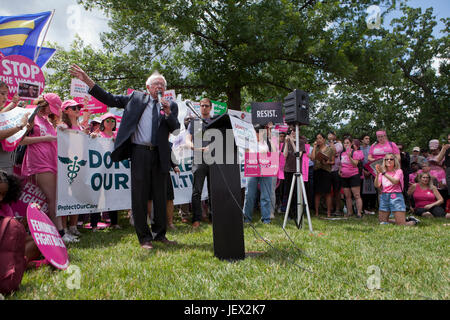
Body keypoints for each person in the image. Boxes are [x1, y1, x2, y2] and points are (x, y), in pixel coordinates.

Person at [69, 64, 180, 250]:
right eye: (155, 84)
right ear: (148, 88)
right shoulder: (135, 99)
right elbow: (109, 99)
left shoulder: (171, 106)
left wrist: (168, 113)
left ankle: (160, 234)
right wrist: (87, 80)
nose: (159, 87)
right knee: (140, 195)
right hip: (139, 152)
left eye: (162, 84)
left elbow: (175, 129)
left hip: (160, 154)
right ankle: (144, 238)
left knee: (160, 195)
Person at [20, 94, 79, 242]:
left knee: (55, 198)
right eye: (50, 108)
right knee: (54, 198)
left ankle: (59, 232)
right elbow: (21, 140)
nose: (50, 112)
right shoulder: (31, 116)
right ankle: (60, 233)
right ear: (43, 103)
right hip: (39, 162)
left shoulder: (47, 120)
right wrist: (47, 138)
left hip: (52, 162)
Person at [59, 99, 90, 237]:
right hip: (66, 167)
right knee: (66, 196)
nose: (78, 109)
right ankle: (64, 228)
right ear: (66, 111)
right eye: (74, 107)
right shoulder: (62, 126)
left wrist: (91, 136)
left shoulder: (82, 128)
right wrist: (60, 130)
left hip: (80, 166)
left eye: (78, 107)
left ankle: (73, 226)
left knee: (77, 195)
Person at [185, 98, 214, 229]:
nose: (204, 108)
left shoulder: (215, 122)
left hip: (214, 160)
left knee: (214, 190)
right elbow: (187, 140)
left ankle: (213, 216)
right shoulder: (194, 122)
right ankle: (196, 219)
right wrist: (195, 148)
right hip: (198, 158)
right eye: (202, 106)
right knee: (197, 191)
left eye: (206, 106)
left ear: (211, 107)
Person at [89, 113, 120, 231]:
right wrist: (93, 138)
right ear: (103, 123)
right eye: (108, 121)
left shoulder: (117, 135)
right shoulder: (98, 135)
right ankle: (94, 224)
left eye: (113, 121)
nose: (110, 123)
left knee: (112, 196)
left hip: (113, 171)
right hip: (100, 171)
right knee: (97, 197)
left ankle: (114, 222)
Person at [243, 123, 277, 224]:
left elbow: (274, 154)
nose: (257, 134)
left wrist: (270, 140)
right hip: (252, 168)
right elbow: (246, 154)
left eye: (259, 132)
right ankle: (247, 218)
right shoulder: (249, 142)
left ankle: (266, 219)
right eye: (255, 132)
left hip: (266, 169)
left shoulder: (267, 142)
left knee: (266, 195)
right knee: (249, 194)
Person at [374, 153, 418, 226]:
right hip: (384, 196)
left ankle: (413, 221)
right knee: (382, 222)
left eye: (391, 159)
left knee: (401, 224)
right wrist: (378, 174)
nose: (389, 160)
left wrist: (383, 173)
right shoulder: (382, 172)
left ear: (395, 161)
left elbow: (395, 181)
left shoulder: (398, 171)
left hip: (396, 196)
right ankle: (405, 219)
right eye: (386, 159)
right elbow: (377, 185)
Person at [282, 126, 305, 220]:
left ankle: (297, 213)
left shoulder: (301, 142)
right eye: (291, 130)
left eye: (294, 130)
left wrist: (292, 141)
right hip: (288, 170)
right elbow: (285, 155)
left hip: (297, 170)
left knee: (296, 192)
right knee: (288, 192)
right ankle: (289, 213)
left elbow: (298, 155)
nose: (292, 132)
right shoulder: (286, 141)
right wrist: (287, 143)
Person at [310, 133, 335, 217]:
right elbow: (313, 158)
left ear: (324, 139)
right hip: (317, 171)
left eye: (320, 138)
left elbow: (333, 161)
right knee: (317, 193)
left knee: (327, 193)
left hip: (326, 171)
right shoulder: (315, 148)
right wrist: (314, 147)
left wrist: (327, 162)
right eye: (317, 138)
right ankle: (316, 212)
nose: (318, 140)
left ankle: (328, 213)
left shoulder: (330, 149)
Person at [339, 138, 364, 218]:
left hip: (354, 176)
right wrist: (340, 170)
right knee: (347, 196)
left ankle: (359, 213)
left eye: (347, 143)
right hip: (344, 176)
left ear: (351, 144)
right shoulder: (342, 153)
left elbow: (355, 164)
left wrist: (350, 157)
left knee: (356, 195)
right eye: (345, 143)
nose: (346, 144)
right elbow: (341, 164)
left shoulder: (355, 152)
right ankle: (350, 212)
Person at [360, 134, 376, 214]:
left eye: (369, 138)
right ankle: (364, 207)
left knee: (373, 189)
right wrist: (363, 171)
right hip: (362, 170)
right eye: (366, 138)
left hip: (371, 170)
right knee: (363, 190)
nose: (368, 140)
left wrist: (370, 171)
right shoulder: (359, 149)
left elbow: (374, 160)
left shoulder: (372, 148)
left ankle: (372, 207)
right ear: (362, 140)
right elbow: (358, 162)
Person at [328, 131, 343, 215]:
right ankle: (330, 208)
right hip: (328, 170)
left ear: (334, 136)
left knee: (337, 190)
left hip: (336, 170)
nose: (329, 136)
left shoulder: (339, 144)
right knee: (329, 191)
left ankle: (338, 209)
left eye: (331, 135)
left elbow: (334, 151)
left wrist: (331, 143)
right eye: (328, 135)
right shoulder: (326, 145)